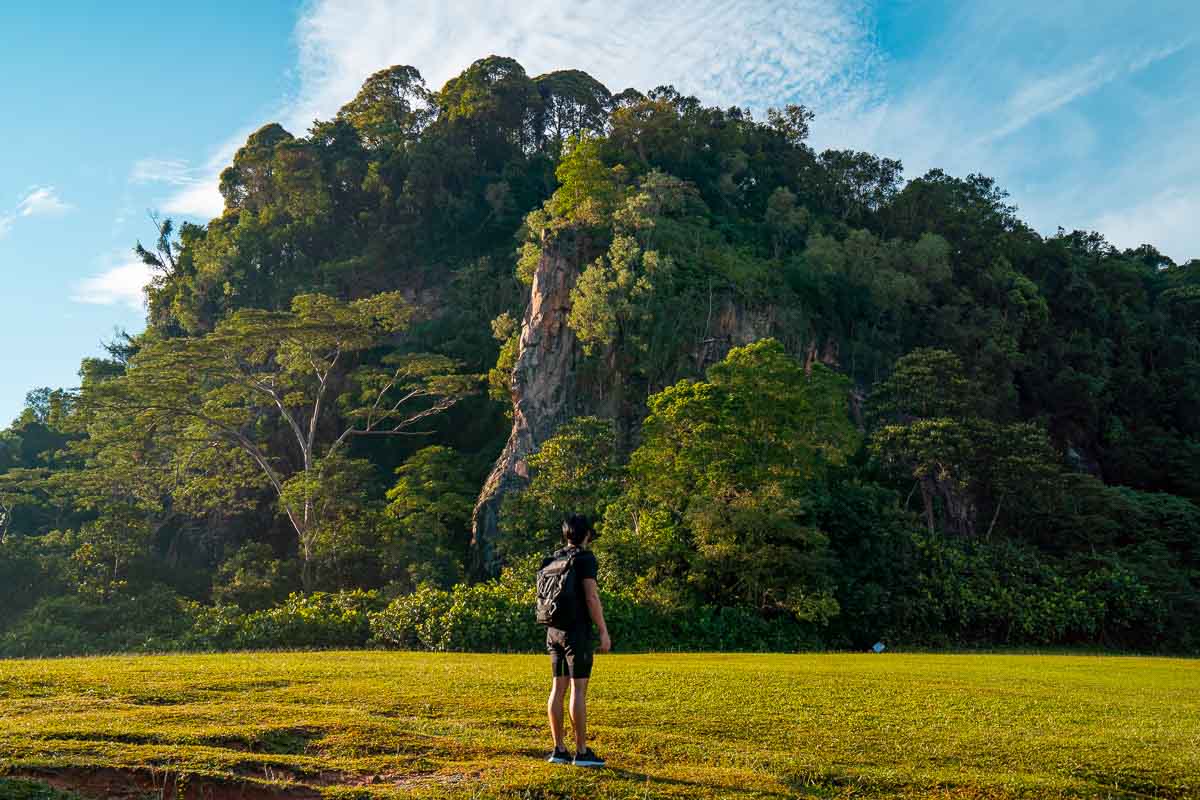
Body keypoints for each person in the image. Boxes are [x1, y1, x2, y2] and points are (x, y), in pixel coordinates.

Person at [544, 514, 611, 768]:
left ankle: (559, 749)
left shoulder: (553, 558)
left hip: (553, 631)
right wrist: (603, 631)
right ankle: (581, 753)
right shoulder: (584, 558)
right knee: (578, 689)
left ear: (565, 535)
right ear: (586, 535)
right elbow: (591, 597)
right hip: (576, 633)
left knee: (557, 689)